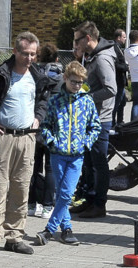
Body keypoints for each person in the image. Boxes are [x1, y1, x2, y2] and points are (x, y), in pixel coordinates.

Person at [0, 31, 51, 256]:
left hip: (28, 138)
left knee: (21, 188)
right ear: (15, 51)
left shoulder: (38, 76)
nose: (29, 58)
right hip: (3, 136)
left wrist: (39, 116)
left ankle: (15, 235)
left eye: (33, 54)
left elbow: (43, 101)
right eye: (24, 53)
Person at [36, 61, 101, 246]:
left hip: (77, 155)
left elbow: (95, 127)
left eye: (80, 82)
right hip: (57, 154)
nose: (77, 86)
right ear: (65, 78)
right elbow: (45, 125)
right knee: (62, 192)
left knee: (66, 193)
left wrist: (85, 143)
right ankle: (66, 229)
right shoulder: (55, 101)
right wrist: (52, 141)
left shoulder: (87, 100)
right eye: (74, 82)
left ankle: (49, 230)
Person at [70, 21, 116, 218]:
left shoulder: (103, 58)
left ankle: (99, 203)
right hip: (89, 119)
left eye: (77, 40)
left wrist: (86, 97)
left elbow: (111, 89)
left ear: (88, 38)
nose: (75, 44)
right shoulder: (92, 57)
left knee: (98, 163)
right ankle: (89, 200)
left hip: (100, 120)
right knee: (88, 162)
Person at [27, 42, 63, 219]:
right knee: (50, 168)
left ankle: (32, 204)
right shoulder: (62, 78)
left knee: (33, 167)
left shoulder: (33, 74)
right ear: (57, 58)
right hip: (54, 127)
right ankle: (48, 206)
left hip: (35, 124)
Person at [112, 29, 129, 126]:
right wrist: (126, 67)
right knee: (116, 103)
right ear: (118, 38)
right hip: (117, 81)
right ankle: (112, 123)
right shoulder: (114, 48)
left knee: (122, 103)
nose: (125, 39)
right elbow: (116, 64)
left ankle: (120, 121)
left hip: (121, 82)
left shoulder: (119, 48)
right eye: (124, 37)